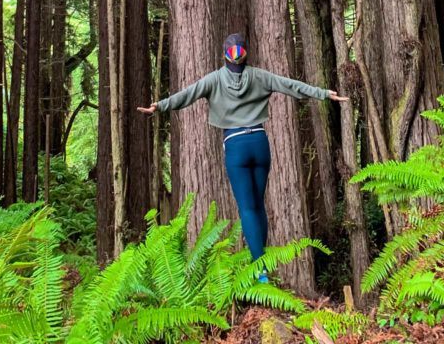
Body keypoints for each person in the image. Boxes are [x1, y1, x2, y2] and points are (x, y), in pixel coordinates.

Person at [138, 32, 348, 281]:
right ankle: (262, 262)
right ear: (246, 54)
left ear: (224, 55)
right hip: (259, 143)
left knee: (247, 208)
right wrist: (323, 93)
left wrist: (159, 106)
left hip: (235, 145)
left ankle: (260, 270)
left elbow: (187, 94)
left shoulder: (214, 79)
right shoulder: (259, 76)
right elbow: (290, 85)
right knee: (258, 206)